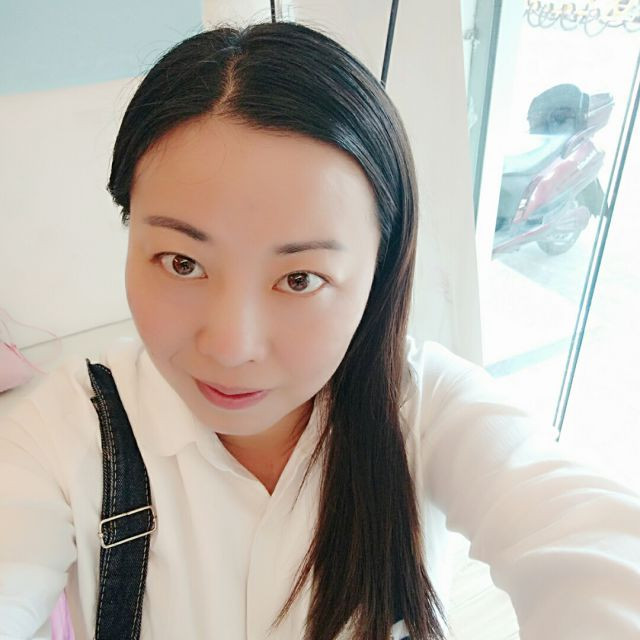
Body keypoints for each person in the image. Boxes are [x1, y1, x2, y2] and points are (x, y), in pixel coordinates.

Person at [1, 20, 639, 640]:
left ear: (378, 268)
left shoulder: (426, 413)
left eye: (300, 278)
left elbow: (598, 549)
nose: (231, 346)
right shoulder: (62, 432)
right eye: (183, 263)